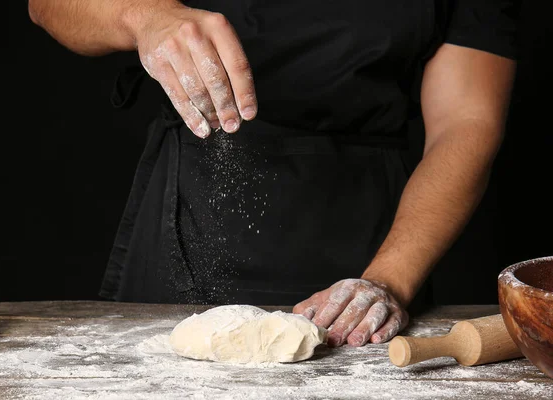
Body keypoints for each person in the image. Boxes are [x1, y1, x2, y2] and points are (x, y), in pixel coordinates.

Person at [28, 0, 519, 348]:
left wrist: (388, 280)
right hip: (193, 210)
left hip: (376, 232)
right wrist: (143, 15)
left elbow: (466, 122)